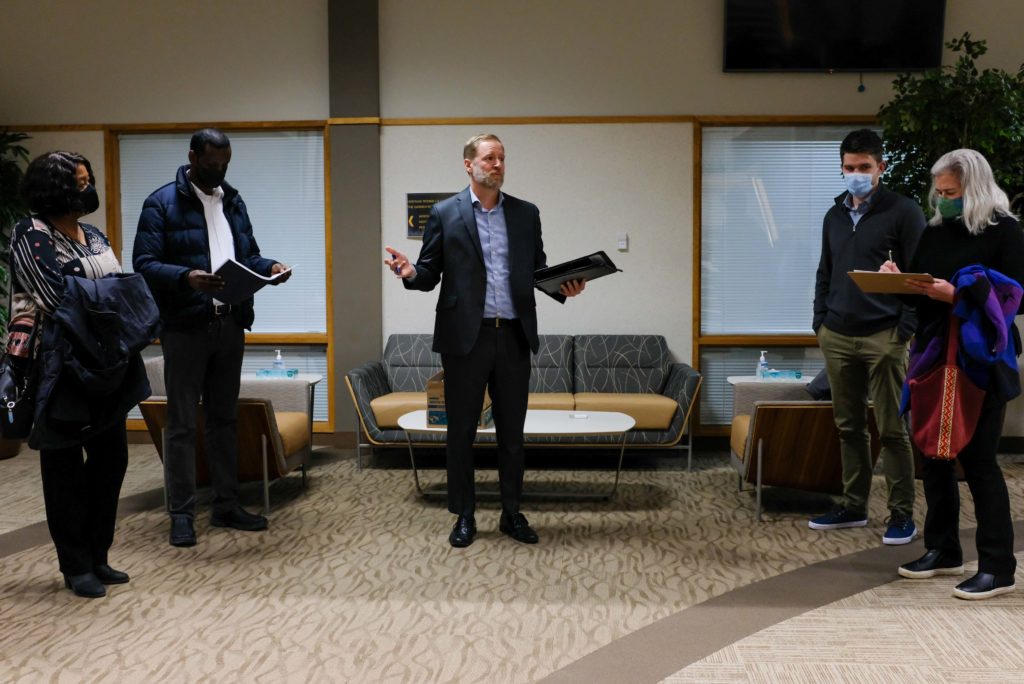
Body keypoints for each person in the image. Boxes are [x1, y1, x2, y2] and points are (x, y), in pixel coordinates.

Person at [384, 134, 584, 548]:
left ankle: (512, 512)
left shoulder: (526, 214)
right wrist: (408, 274)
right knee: (461, 432)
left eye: (502, 159)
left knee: (513, 434)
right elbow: (428, 274)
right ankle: (465, 515)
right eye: (489, 158)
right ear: (468, 164)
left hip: (512, 336)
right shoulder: (444, 213)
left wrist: (563, 288)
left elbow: (538, 271)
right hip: (465, 341)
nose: (497, 165)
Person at [133, 128, 291, 547]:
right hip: (185, 327)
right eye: (211, 164)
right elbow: (144, 264)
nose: (218, 171)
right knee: (182, 423)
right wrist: (186, 278)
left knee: (224, 419)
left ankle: (226, 505)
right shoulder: (160, 203)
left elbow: (248, 255)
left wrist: (270, 267)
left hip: (229, 324)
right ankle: (181, 514)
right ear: (192, 156)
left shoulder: (233, 202)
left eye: (225, 164)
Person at [13, 152, 154, 598]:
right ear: (55, 187)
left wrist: (103, 297)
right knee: (64, 470)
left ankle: (98, 554)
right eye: (79, 181)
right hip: (59, 366)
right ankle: (75, 566)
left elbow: (124, 290)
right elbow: (57, 298)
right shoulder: (29, 234)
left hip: (106, 364)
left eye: (89, 179)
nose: (87, 187)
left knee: (112, 461)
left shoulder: (92, 234)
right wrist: (108, 298)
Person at [884, 149, 1023, 599]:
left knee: (979, 461)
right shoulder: (936, 230)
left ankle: (998, 567)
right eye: (939, 192)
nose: (942, 200)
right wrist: (899, 281)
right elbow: (922, 296)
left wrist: (953, 297)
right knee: (934, 455)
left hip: (981, 359)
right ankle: (942, 550)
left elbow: (1016, 299)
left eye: (951, 193)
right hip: (931, 352)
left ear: (975, 188)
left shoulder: (1006, 230)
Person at [810, 129, 926, 543]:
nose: (856, 174)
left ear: (881, 167)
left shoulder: (904, 212)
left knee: (892, 428)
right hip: (837, 333)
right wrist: (819, 321)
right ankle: (853, 506)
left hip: (886, 335)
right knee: (849, 426)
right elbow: (825, 271)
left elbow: (918, 277)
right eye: (849, 168)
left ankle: (901, 515)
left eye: (864, 167)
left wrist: (905, 329)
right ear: (841, 168)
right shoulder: (833, 216)